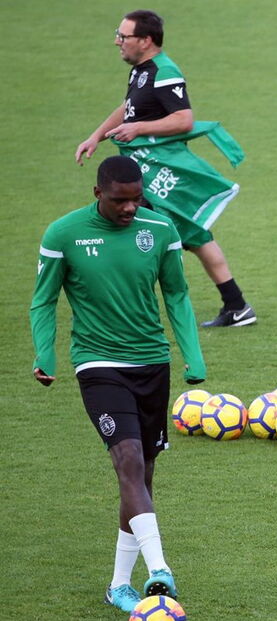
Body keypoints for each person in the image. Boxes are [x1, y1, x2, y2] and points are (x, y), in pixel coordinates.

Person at [30, 156, 206, 612]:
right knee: (126, 462)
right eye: (119, 200)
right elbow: (43, 300)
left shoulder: (161, 230)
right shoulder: (64, 234)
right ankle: (160, 569)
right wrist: (44, 355)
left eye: (135, 199)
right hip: (98, 364)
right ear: (97, 194)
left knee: (142, 479)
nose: (129, 209)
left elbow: (177, 293)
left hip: (152, 363)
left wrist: (194, 356)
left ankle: (118, 585)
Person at [75, 9, 255, 328]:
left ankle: (128, 310)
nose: (118, 42)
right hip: (148, 170)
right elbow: (128, 108)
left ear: (145, 40)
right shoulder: (141, 72)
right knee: (195, 236)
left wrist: (139, 129)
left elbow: (183, 119)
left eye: (124, 36)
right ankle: (237, 305)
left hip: (158, 170)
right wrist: (96, 136)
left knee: (134, 230)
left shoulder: (165, 71)